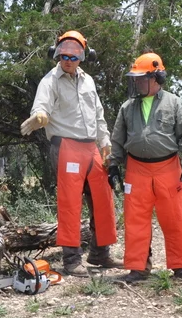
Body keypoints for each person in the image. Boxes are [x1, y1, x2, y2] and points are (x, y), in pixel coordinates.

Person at [20, 31, 119, 276]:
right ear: (57, 54)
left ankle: (100, 253)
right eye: (64, 56)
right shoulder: (50, 80)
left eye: (73, 58)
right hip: (66, 146)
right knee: (70, 203)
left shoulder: (88, 81)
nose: (68, 61)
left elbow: (98, 115)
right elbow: (41, 105)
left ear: (83, 57)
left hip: (91, 147)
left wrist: (105, 145)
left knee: (103, 199)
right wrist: (40, 115)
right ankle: (72, 259)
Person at [108, 52, 182, 283]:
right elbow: (117, 140)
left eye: (141, 78)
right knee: (135, 220)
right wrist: (113, 166)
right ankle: (138, 268)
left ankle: (180, 267)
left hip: (168, 167)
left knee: (175, 219)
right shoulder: (127, 108)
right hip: (136, 169)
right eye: (135, 78)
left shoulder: (174, 103)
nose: (136, 82)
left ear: (157, 77)